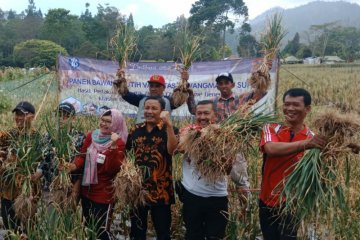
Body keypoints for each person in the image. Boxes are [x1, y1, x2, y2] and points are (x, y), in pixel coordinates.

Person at [259, 88, 327, 240]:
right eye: (286, 104)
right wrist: (307, 144)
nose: (290, 109)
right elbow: (271, 149)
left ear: (307, 109)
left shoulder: (312, 138)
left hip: (293, 204)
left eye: (296, 105)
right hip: (267, 201)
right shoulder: (271, 128)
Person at [178, 100, 248, 240]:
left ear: (215, 115)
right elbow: (178, 148)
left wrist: (243, 188)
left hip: (217, 197)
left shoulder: (225, 136)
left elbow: (234, 168)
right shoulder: (188, 132)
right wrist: (196, 139)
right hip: (192, 196)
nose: (202, 117)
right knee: (192, 235)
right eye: (199, 113)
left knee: (215, 236)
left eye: (206, 113)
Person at [65, 109, 128, 240]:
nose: (104, 124)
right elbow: (82, 156)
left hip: (104, 193)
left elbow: (112, 169)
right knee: (88, 228)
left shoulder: (119, 143)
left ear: (116, 124)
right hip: (86, 190)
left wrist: (113, 147)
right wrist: (73, 165)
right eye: (102, 120)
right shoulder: (91, 136)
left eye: (108, 122)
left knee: (102, 231)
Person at [125, 96, 178, 240]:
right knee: (137, 232)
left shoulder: (168, 130)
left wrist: (170, 126)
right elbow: (126, 155)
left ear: (162, 111)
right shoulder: (135, 130)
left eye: (154, 108)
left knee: (162, 232)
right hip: (138, 190)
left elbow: (173, 150)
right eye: (146, 108)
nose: (149, 111)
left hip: (161, 190)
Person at [31, 102, 85, 202]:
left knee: (67, 216)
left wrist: (76, 189)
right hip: (50, 186)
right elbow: (44, 159)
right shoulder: (48, 136)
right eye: (59, 115)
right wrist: (39, 172)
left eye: (66, 116)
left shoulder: (79, 137)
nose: (61, 119)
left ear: (73, 119)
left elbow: (82, 163)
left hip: (70, 187)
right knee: (50, 216)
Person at [0, 101, 41, 231]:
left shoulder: (37, 137)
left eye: (22, 114)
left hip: (28, 191)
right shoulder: (7, 136)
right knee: (10, 228)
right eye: (17, 114)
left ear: (32, 116)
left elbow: (46, 161)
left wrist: (39, 172)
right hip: (8, 189)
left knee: (28, 228)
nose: (18, 117)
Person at [213, 72, 250, 204]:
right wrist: (188, 93)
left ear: (232, 84)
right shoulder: (213, 102)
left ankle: (245, 211)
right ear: (217, 86)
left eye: (226, 83)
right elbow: (194, 110)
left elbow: (260, 92)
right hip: (217, 146)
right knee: (214, 179)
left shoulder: (243, 100)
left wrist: (263, 74)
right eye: (220, 83)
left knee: (241, 180)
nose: (223, 86)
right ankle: (218, 209)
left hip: (236, 146)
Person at [119, 72, 196, 123]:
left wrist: (184, 81)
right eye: (151, 85)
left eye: (157, 86)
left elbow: (180, 98)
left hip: (162, 138)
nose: (153, 88)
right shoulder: (141, 99)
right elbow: (125, 94)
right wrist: (120, 78)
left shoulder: (169, 101)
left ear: (164, 88)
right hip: (141, 137)